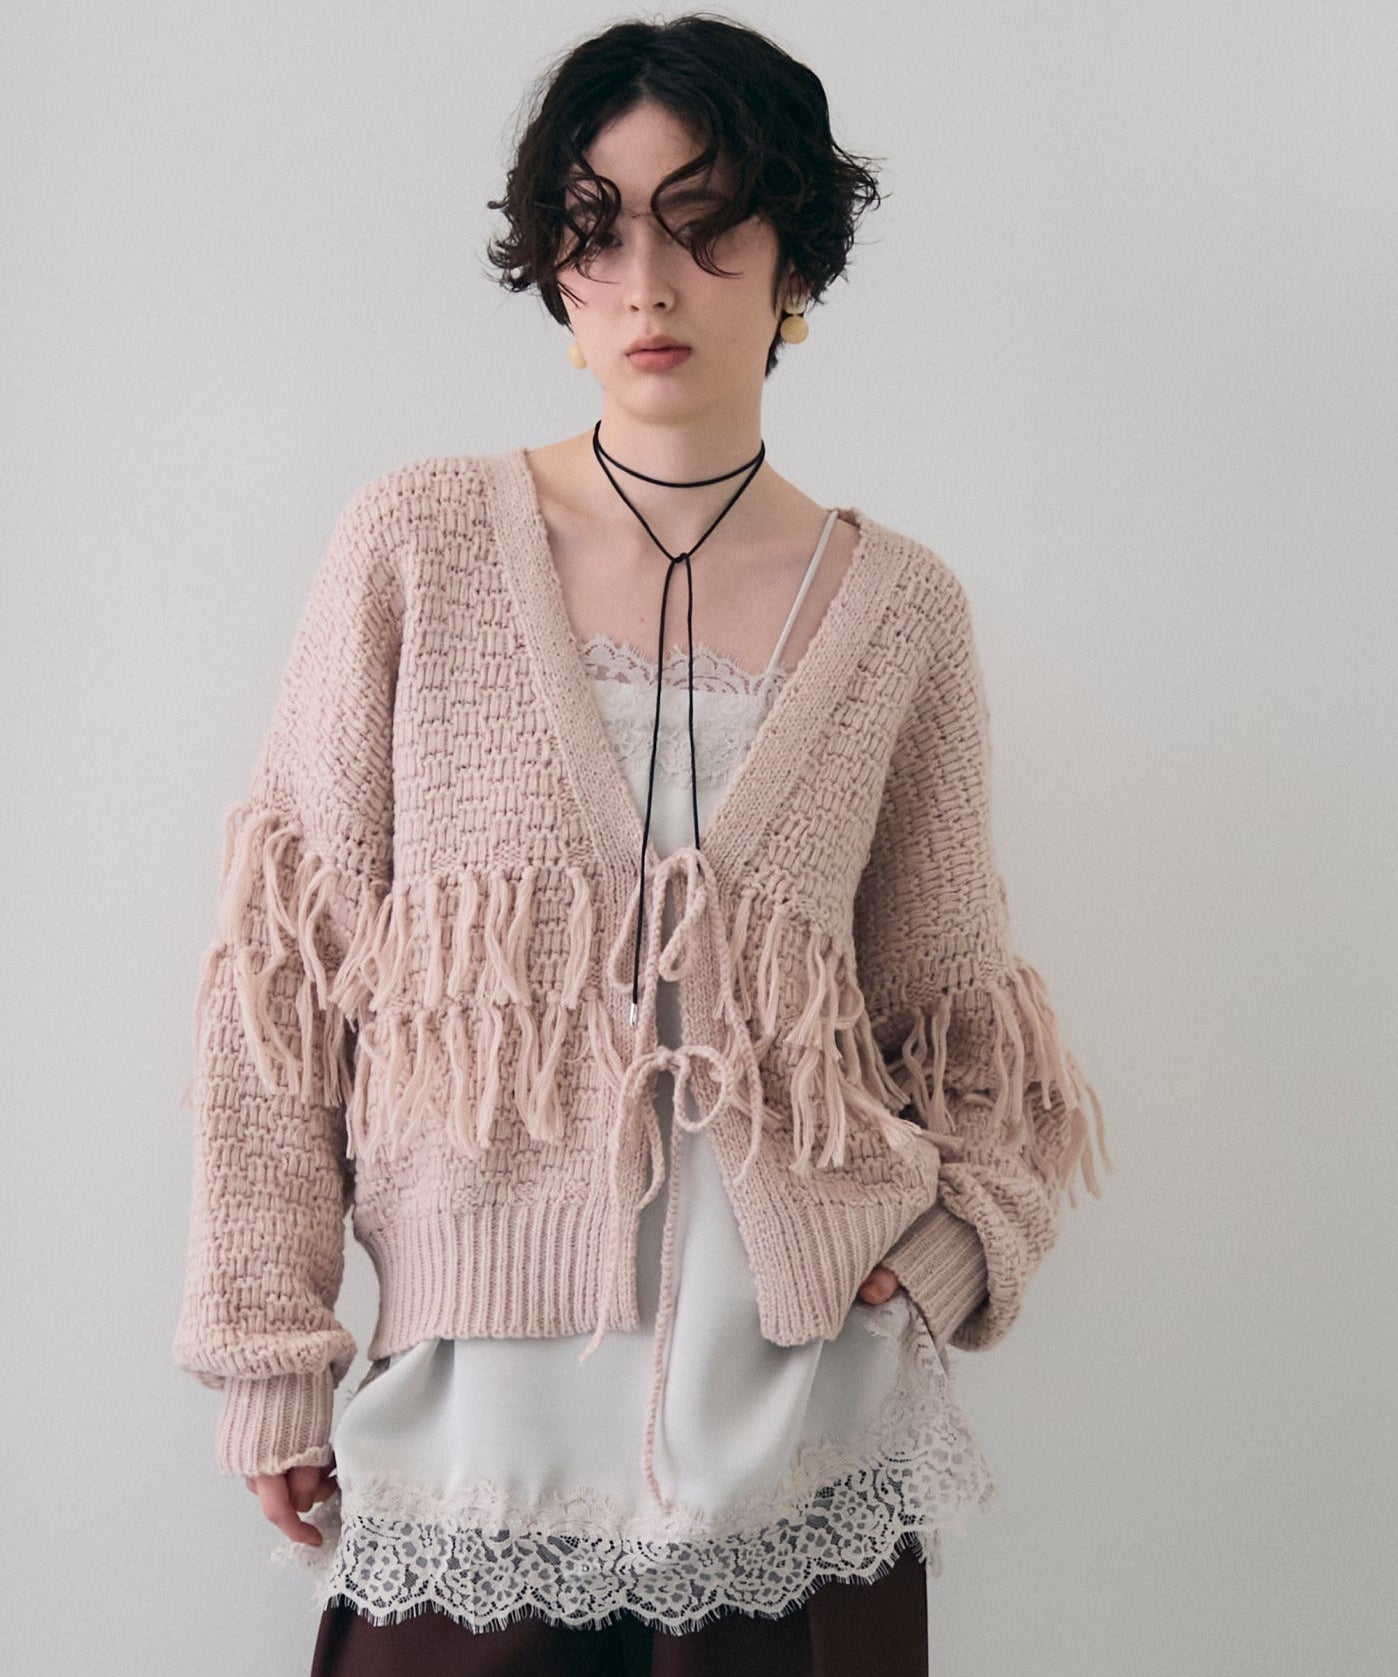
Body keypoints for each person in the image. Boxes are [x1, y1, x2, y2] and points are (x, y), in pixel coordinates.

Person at [172, 15, 1111, 1675]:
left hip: (800, 1427)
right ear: (550, 263)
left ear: (796, 253)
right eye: (595, 229)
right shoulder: (416, 546)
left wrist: (957, 1235)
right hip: (477, 1424)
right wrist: (269, 1351)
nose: (645, 283)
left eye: (704, 221)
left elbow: (958, 1013)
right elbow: (283, 982)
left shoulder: (900, 610)